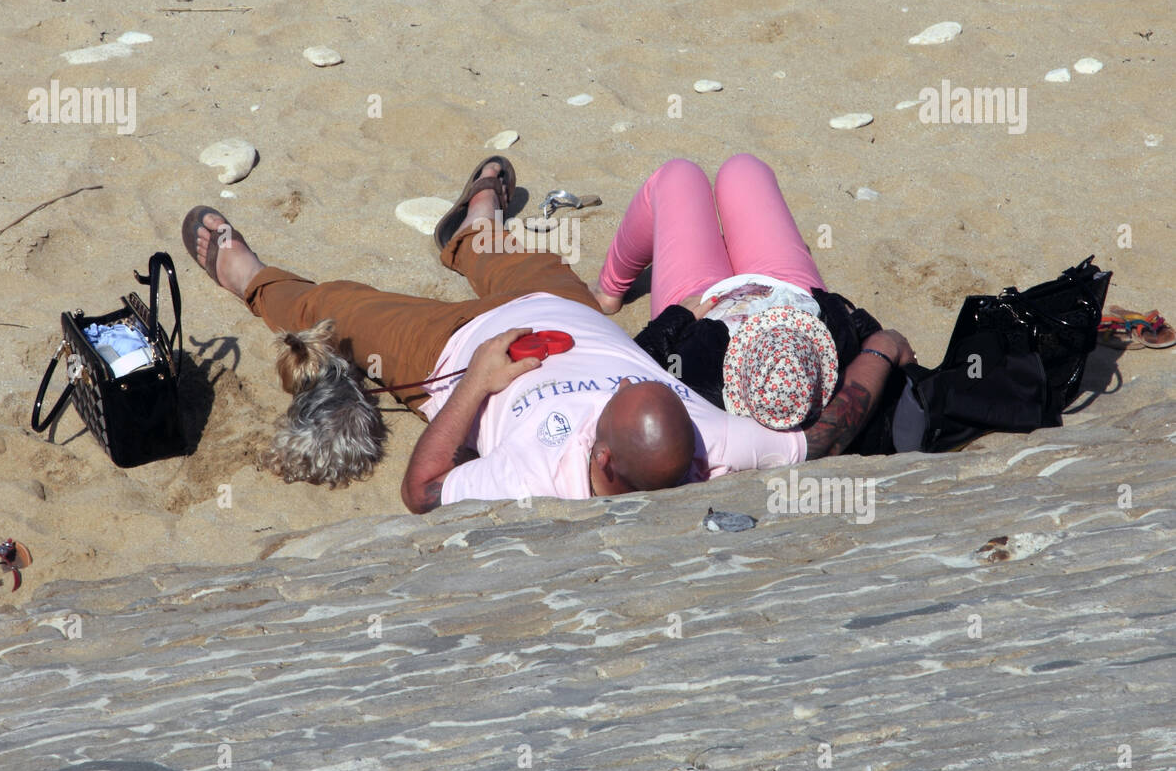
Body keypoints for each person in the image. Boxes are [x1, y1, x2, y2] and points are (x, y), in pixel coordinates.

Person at [182, 157, 907, 511]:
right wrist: (880, 349)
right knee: (528, 260)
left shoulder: (537, 472)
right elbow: (824, 437)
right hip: (571, 317)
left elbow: (422, 489)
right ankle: (472, 232)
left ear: (602, 457)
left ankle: (251, 280)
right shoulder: (710, 441)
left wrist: (479, 381)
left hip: (456, 353)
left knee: (344, 310)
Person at [591, 155, 913, 445]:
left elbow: (633, 362)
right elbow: (853, 321)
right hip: (788, 285)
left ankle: (609, 290)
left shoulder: (697, 376)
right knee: (743, 168)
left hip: (703, 302)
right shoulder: (831, 356)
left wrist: (677, 316)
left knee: (678, 176)